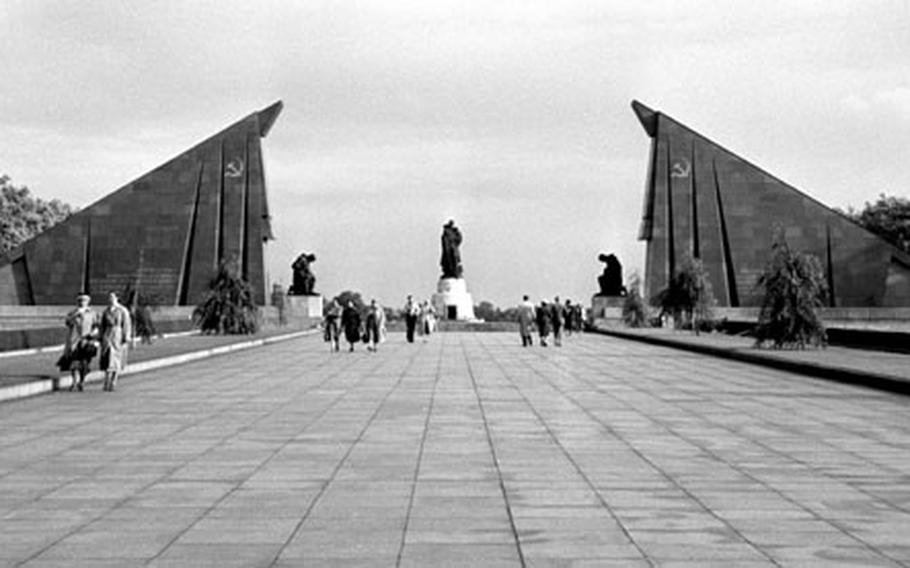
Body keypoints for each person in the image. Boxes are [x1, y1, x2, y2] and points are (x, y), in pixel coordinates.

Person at [58, 293, 99, 391]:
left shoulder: (92, 313)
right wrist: (75, 315)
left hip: (86, 340)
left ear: (88, 302)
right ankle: (74, 381)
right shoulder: (73, 313)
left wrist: (94, 333)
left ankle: (82, 381)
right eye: (80, 300)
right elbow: (67, 322)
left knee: (84, 362)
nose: (82, 302)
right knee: (73, 362)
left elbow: (96, 325)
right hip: (74, 341)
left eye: (84, 300)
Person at [99, 292, 132, 392]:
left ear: (117, 298)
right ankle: (106, 380)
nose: (110, 299)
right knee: (107, 357)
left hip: (117, 335)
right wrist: (100, 336)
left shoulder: (122, 310)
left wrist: (126, 336)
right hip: (107, 334)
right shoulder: (106, 311)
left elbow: (126, 324)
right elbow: (102, 325)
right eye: (109, 297)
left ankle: (113, 381)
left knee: (116, 358)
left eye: (112, 297)